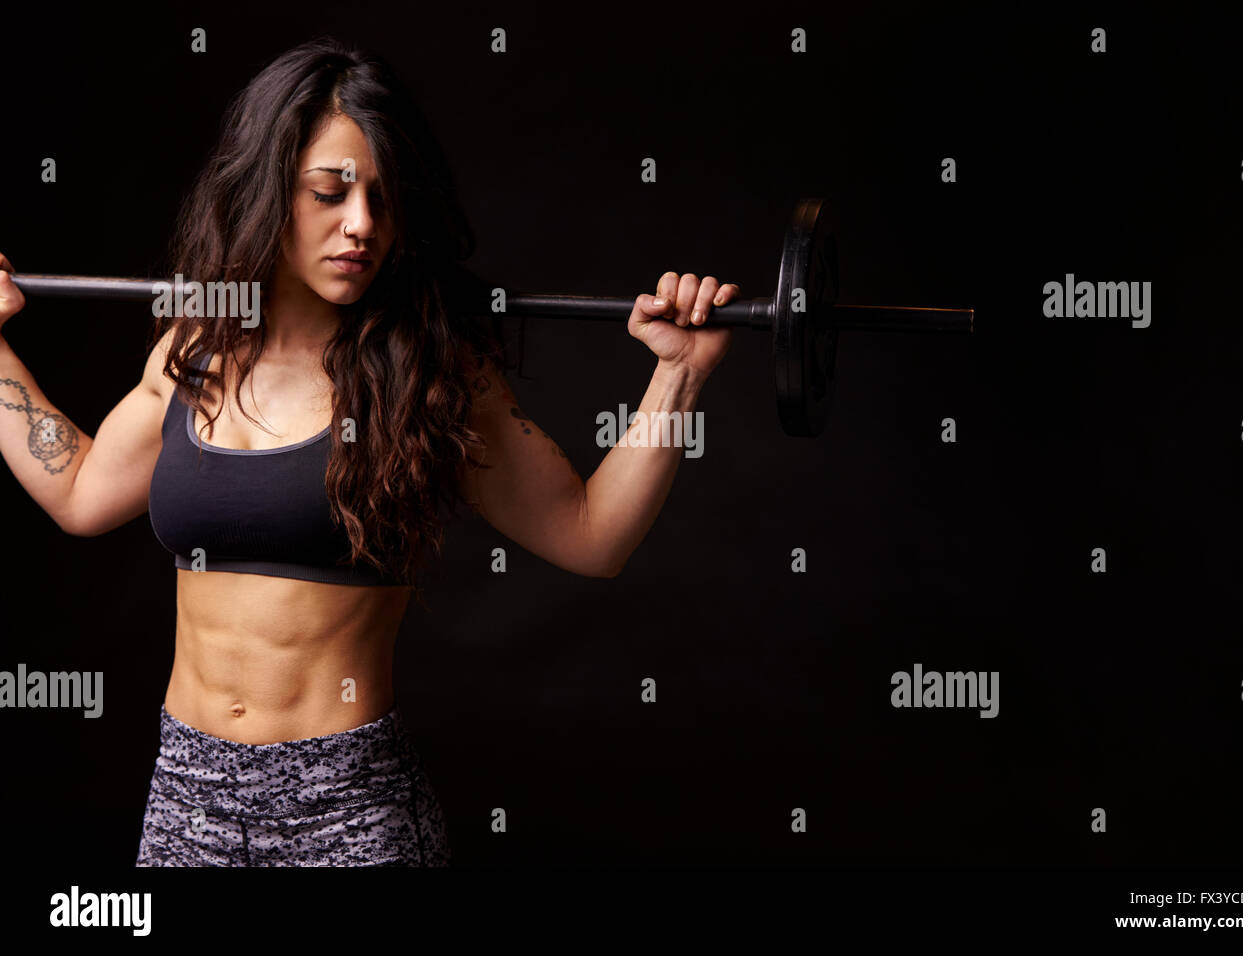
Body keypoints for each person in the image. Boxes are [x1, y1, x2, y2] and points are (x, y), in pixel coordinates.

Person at [0, 37, 738, 866]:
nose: (362, 225)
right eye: (330, 191)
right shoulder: (195, 348)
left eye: (383, 200)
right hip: (186, 795)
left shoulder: (430, 372)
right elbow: (80, 492)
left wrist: (675, 380)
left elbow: (593, 534)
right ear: (267, 189)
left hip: (348, 809)